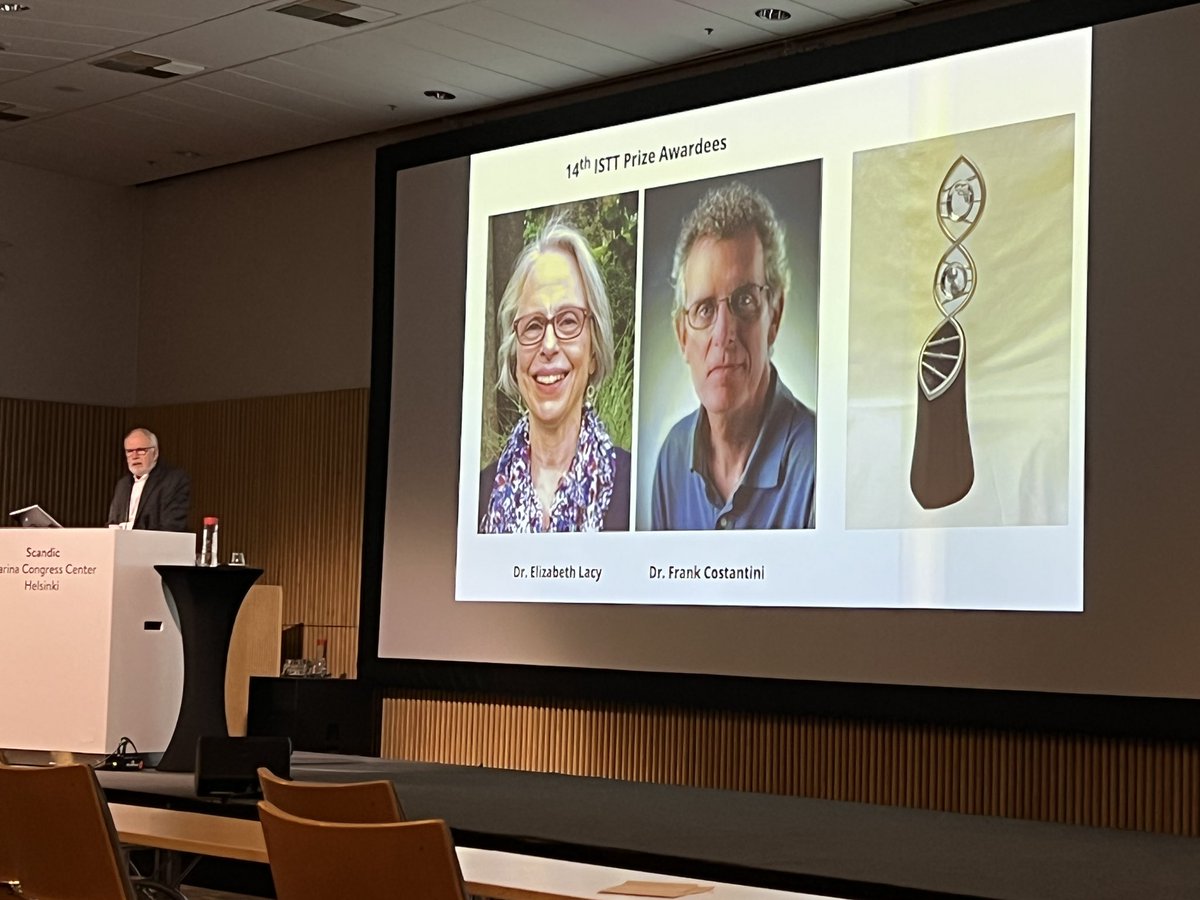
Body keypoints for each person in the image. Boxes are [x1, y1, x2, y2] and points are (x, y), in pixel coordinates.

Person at [650, 181, 816, 530]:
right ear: (682, 335)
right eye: (705, 309)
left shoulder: (819, 462)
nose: (723, 335)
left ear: (775, 315)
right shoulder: (671, 457)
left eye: (744, 301)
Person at [479, 220, 631, 533]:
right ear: (514, 349)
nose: (548, 346)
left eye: (568, 321)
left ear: (593, 350)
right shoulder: (476, 497)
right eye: (533, 325)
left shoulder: (637, 490)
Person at [106, 427, 191, 532]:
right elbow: (112, 523)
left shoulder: (173, 481)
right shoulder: (122, 484)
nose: (134, 456)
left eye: (141, 451)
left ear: (155, 453)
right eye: (129, 451)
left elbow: (172, 526)